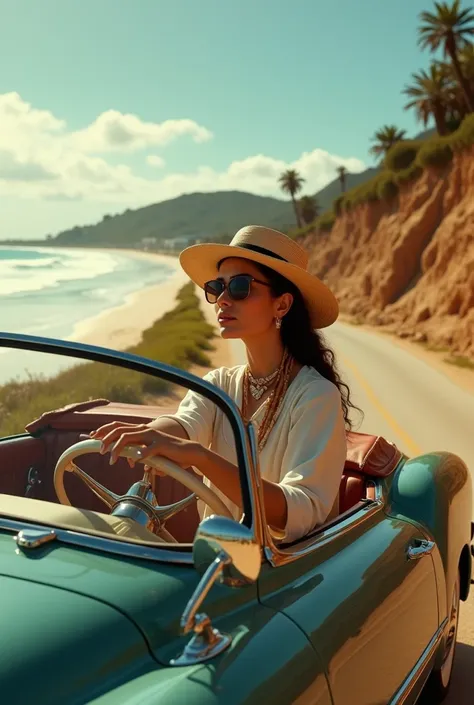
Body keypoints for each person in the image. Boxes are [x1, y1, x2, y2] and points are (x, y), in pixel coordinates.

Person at [91, 225, 360, 543]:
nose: (222, 300)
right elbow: (184, 423)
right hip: (214, 560)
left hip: (283, 573)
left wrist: (200, 457)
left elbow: (297, 509)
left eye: (240, 287)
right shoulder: (219, 384)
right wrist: (152, 435)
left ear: (282, 305)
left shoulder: (315, 396)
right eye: (217, 287)